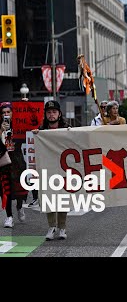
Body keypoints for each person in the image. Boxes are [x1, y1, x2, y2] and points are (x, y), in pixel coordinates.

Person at [32, 100, 72, 240]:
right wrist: (36, 136)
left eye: (54, 112)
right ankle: (51, 227)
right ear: (45, 114)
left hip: (63, 168)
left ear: (59, 114)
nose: (51, 115)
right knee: (48, 197)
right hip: (48, 169)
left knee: (62, 198)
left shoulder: (67, 129)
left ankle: (62, 228)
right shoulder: (41, 131)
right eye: (48, 112)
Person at [1, 102, 28, 228]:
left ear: (12, 113)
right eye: (3, 112)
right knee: (5, 190)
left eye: (8, 112)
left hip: (17, 160)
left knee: (20, 189)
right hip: (4, 161)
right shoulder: (0, 127)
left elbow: (26, 138)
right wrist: (1, 130)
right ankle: (9, 216)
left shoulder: (19, 125)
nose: (6, 114)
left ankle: (19, 206)